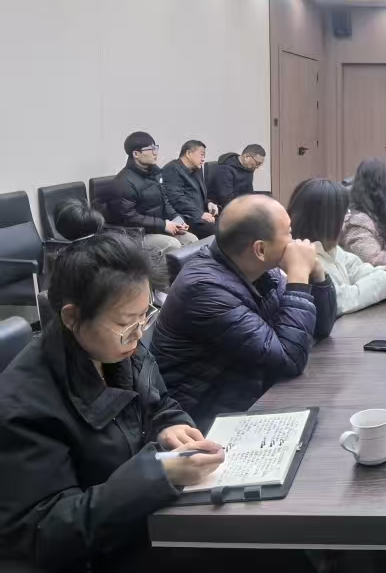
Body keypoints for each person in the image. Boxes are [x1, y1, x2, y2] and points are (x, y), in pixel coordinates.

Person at [0, 233, 224, 571]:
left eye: (144, 316)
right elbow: (45, 532)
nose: (138, 333)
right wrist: (157, 475)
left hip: (143, 521)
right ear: (72, 318)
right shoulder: (24, 407)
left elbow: (157, 403)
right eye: (125, 323)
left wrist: (170, 425)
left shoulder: (116, 347)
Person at [150, 195, 336, 429]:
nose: (295, 242)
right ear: (260, 249)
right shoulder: (204, 288)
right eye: (289, 233)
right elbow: (289, 361)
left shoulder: (259, 269)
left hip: (248, 392)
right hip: (201, 420)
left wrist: (316, 272)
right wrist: (298, 277)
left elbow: (320, 329)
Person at [288, 178, 386, 316]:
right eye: (344, 214)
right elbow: (339, 300)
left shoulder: (329, 247)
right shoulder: (300, 257)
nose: (346, 219)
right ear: (329, 220)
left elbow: (357, 270)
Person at [114, 132, 199, 252]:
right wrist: (163, 225)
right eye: (151, 149)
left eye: (156, 148)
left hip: (158, 227)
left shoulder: (156, 173)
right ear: (136, 154)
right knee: (172, 244)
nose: (155, 153)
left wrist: (177, 220)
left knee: (192, 239)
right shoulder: (124, 181)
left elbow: (165, 201)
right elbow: (129, 217)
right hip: (138, 234)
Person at [162, 139, 218, 239]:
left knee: (230, 225)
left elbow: (199, 195)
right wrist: (200, 214)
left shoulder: (197, 170)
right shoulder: (172, 169)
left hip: (200, 216)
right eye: (202, 155)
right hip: (186, 218)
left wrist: (209, 203)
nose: (203, 159)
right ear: (188, 153)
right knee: (218, 232)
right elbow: (176, 199)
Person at [209, 143, 265, 208]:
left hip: (242, 205)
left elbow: (248, 192)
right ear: (246, 156)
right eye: (257, 163)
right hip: (225, 207)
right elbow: (226, 200)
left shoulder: (249, 168)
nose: (257, 167)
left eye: (260, 164)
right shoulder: (225, 169)